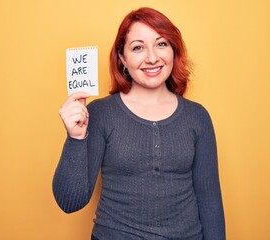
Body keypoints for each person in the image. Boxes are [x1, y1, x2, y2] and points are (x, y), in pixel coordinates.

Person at [53, 7, 225, 240]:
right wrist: (75, 139)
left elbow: (210, 202)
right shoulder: (100, 113)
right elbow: (69, 201)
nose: (152, 57)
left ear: (174, 51)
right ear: (122, 58)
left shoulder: (197, 117)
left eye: (161, 44)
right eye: (138, 47)